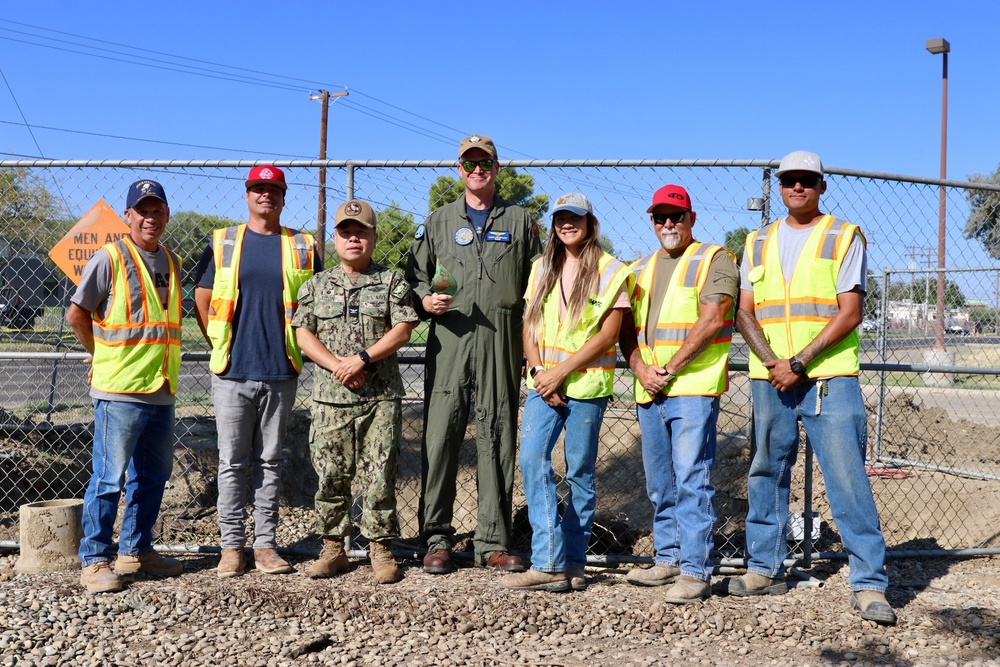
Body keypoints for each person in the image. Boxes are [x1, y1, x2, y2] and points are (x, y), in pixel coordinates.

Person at [730, 150, 896, 625]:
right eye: (788, 180)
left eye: (807, 180)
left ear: (822, 186)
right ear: (779, 186)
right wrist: (771, 361)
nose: (797, 187)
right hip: (770, 377)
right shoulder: (757, 241)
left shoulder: (843, 236)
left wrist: (799, 362)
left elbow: (850, 312)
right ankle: (765, 568)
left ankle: (868, 584)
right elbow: (744, 309)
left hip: (828, 377)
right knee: (766, 472)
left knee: (846, 479)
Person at [406, 135, 543, 573]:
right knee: (440, 436)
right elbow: (412, 279)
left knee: (498, 434)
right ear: (458, 170)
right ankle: (436, 539)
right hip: (450, 341)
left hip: (501, 340)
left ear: (497, 169)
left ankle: (493, 541)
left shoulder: (521, 221)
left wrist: (532, 344)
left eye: (485, 163)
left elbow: (539, 285)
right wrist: (425, 301)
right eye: (470, 164)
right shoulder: (438, 220)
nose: (477, 170)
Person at [498, 193, 632, 592]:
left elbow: (609, 334)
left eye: (575, 218)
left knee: (580, 473)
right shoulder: (542, 267)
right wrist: (541, 371)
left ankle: (574, 563)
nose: (567, 224)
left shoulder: (612, 271)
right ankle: (549, 558)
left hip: (586, 386)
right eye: (560, 218)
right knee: (532, 459)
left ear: (590, 223)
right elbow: (529, 324)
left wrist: (560, 373)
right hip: (544, 383)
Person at [194, 165, 322, 578]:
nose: (266, 195)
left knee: (270, 462)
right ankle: (231, 547)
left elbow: (318, 300)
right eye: (258, 189)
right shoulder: (224, 242)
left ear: (284, 197)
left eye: (274, 190)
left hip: (281, 369)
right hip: (232, 370)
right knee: (231, 462)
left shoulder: (303, 245)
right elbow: (203, 296)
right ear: (247, 195)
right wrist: (219, 341)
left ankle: (265, 545)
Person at [618, 184, 738, 604]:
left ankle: (696, 569)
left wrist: (667, 370)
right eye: (660, 217)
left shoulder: (715, 259)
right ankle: (667, 556)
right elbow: (626, 331)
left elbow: (713, 318)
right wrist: (640, 369)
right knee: (660, 482)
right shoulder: (640, 267)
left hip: (690, 387)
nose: (668, 223)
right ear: (651, 221)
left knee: (691, 479)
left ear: (692, 218)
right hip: (650, 388)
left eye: (676, 216)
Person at [67, 179, 184, 593]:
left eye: (158, 210)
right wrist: (98, 354)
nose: (150, 217)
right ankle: (95, 559)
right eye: (143, 210)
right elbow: (77, 313)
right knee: (109, 478)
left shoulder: (171, 260)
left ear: (166, 216)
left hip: (161, 386)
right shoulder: (110, 258)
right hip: (119, 389)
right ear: (129, 216)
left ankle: (136, 549)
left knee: (153, 475)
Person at [292, 199, 418, 583]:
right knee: (331, 475)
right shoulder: (316, 284)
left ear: (373, 238)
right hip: (331, 399)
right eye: (346, 233)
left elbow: (403, 329)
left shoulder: (392, 281)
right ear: (335, 238)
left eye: (361, 233)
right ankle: (334, 549)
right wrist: (338, 366)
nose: (353, 239)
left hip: (379, 398)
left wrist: (362, 359)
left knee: (380, 474)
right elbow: (302, 333)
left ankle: (381, 550)